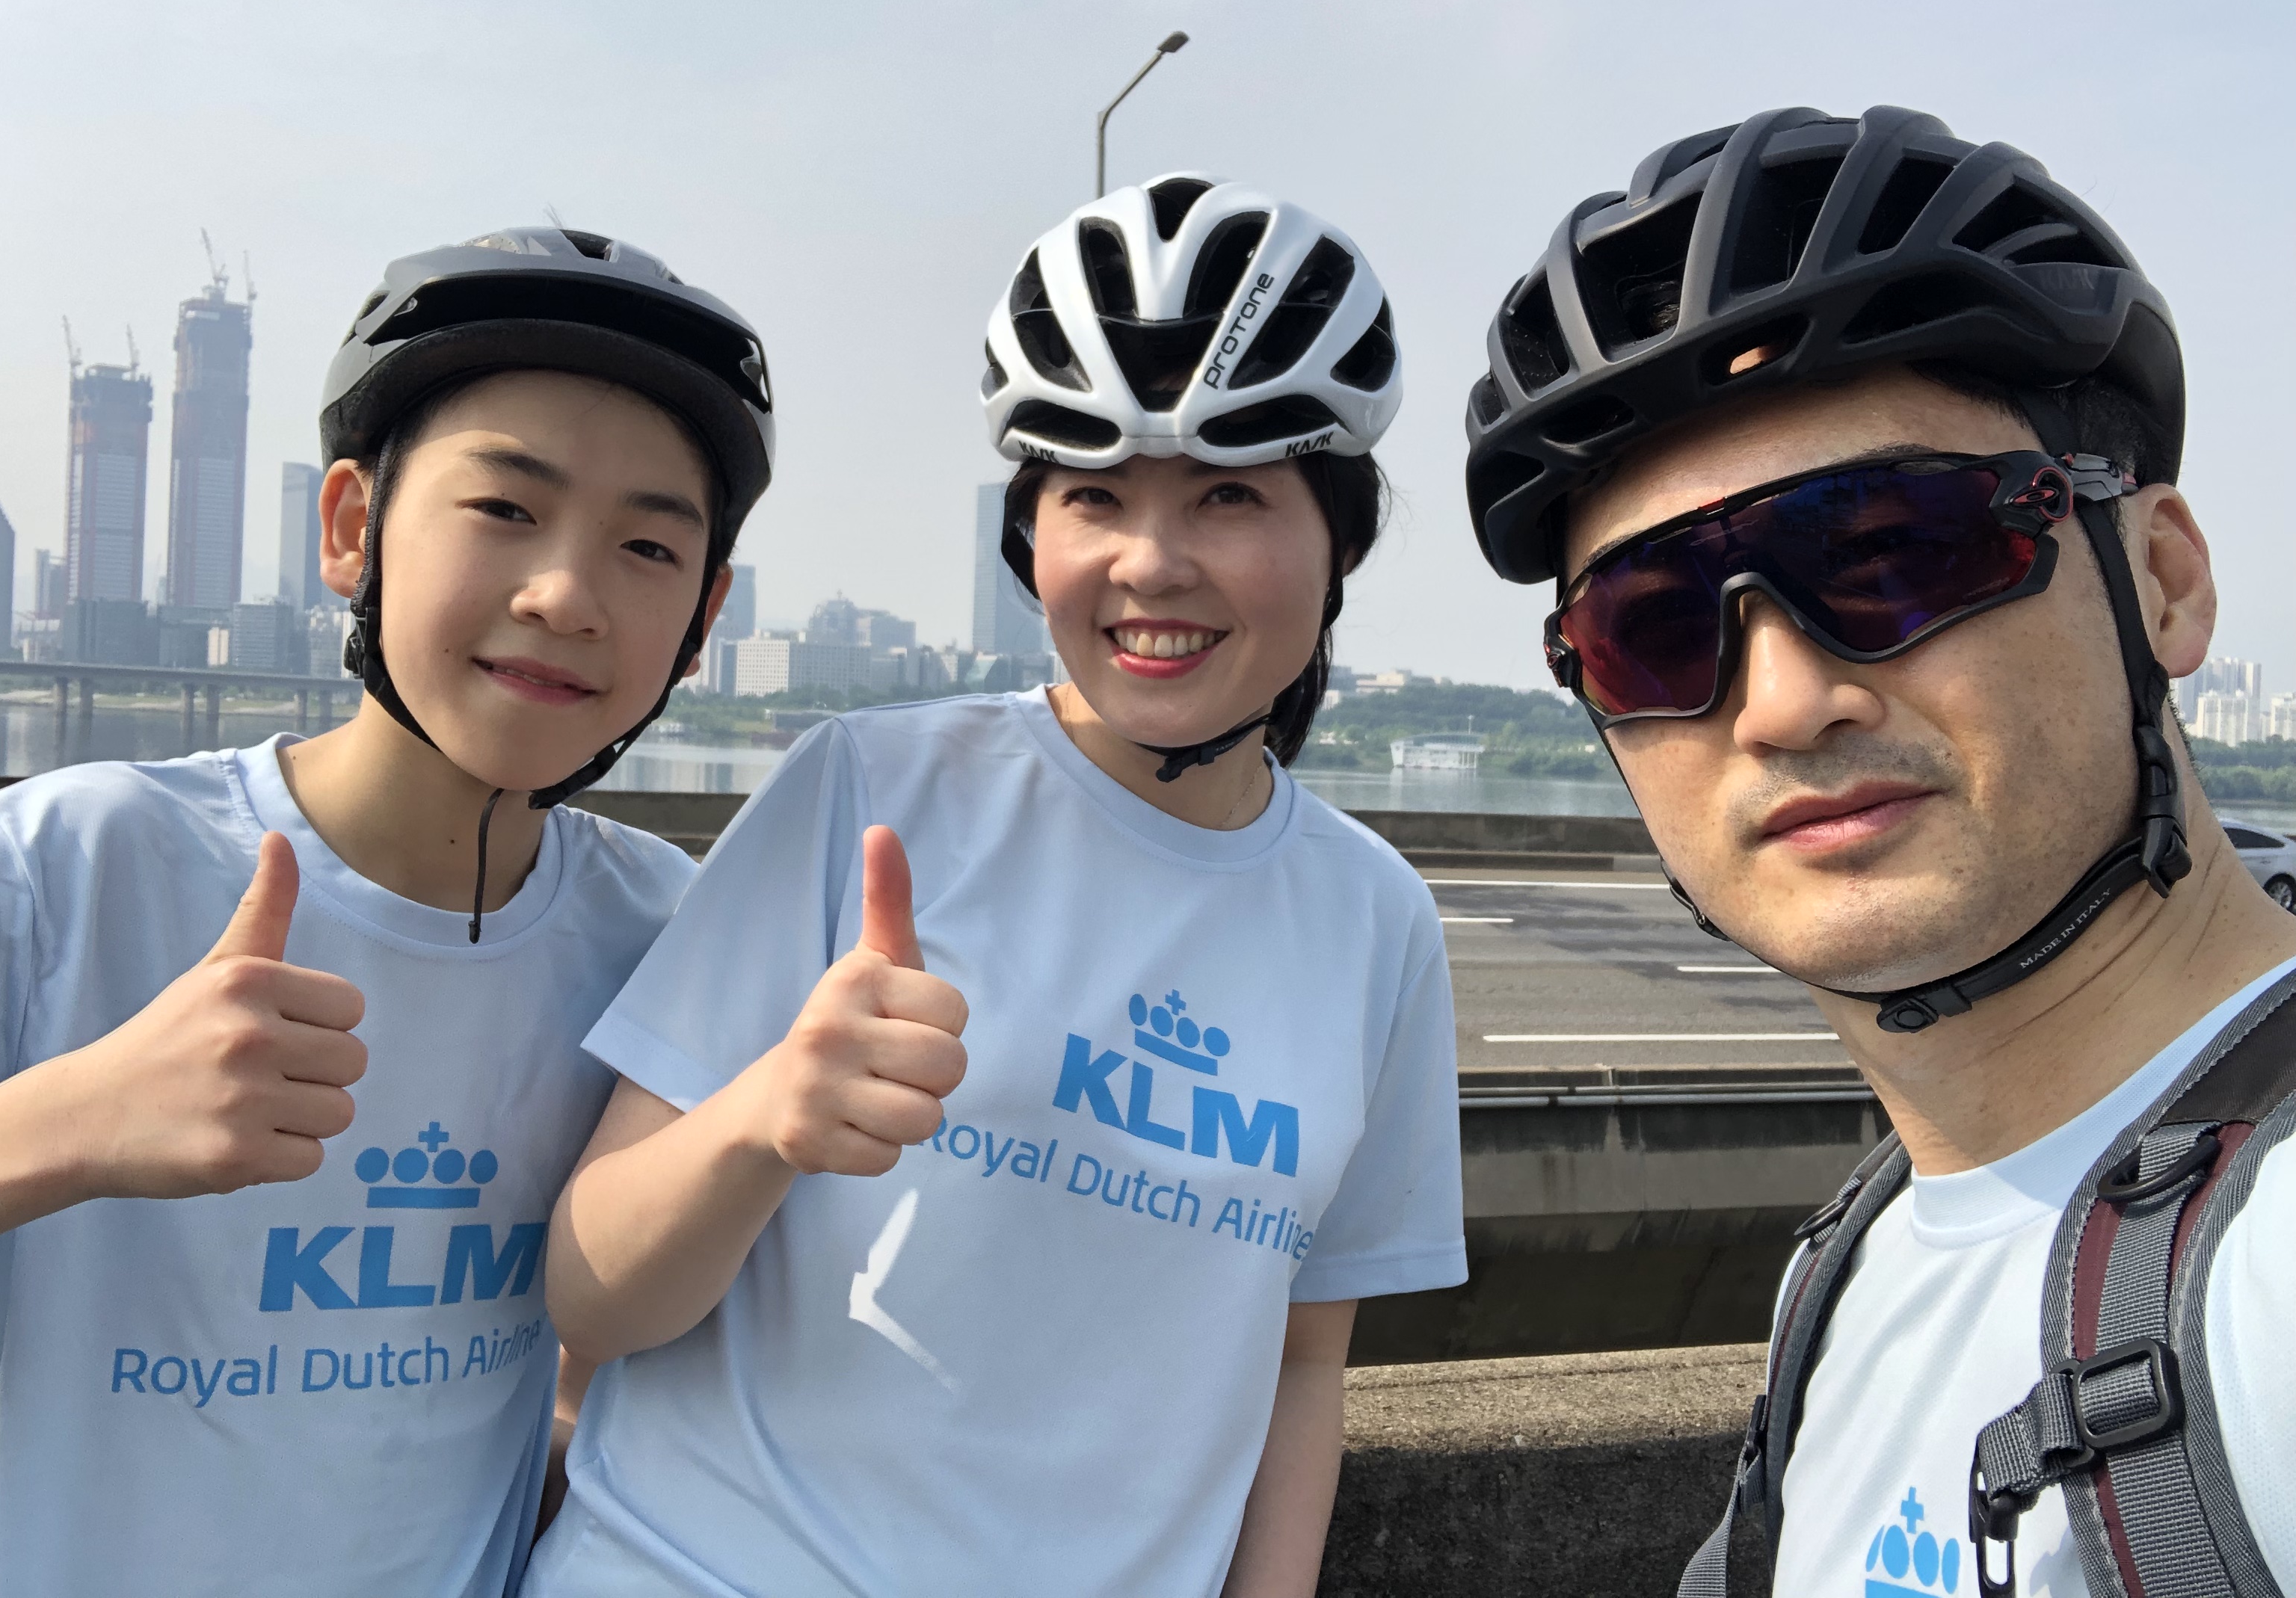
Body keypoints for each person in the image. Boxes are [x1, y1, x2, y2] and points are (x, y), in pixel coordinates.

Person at [523, 175, 1464, 1598]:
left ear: (1341, 538)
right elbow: (590, 1297)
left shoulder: (1377, 922)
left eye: (1229, 494)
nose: (1152, 563)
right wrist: (767, 1119)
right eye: (1095, 496)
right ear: (1032, 535)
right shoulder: (870, 788)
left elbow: (1300, 1364)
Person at [1462, 106, 2296, 1596]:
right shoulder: (1846, 1269)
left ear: (2162, 581)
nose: (1783, 703)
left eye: (1896, 552)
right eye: (1654, 628)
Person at [0, 226, 776, 1597]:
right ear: (353, 528)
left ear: (704, 618)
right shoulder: (74, 866)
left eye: (649, 545)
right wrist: (67, 1124)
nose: (566, 596)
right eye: (505, 509)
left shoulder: (669, 933)